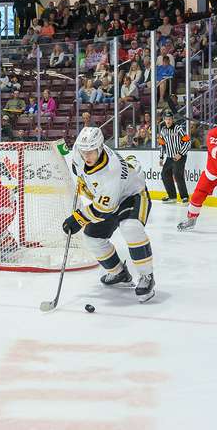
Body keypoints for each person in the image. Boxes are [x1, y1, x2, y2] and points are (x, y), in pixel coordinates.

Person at [63, 127, 156, 303]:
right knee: (92, 237)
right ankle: (119, 273)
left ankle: (146, 276)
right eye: (84, 152)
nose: (86, 156)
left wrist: (77, 219)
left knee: (130, 227)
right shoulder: (79, 152)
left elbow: (102, 210)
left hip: (132, 195)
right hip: (108, 199)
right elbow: (77, 164)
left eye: (91, 152)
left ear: (100, 147)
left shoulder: (111, 171)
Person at [157, 110, 190, 203]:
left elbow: (188, 142)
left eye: (170, 119)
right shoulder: (163, 130)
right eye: (166, 119)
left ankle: (184, 197)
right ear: (164, 119)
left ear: (173, 120)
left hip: (180, 156)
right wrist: (161, 157)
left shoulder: (178, 128)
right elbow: (161, 145)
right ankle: (172, 196)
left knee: (177, 175)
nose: (168, 121)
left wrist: (180, 154)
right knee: (164, 174)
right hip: (170, 157)